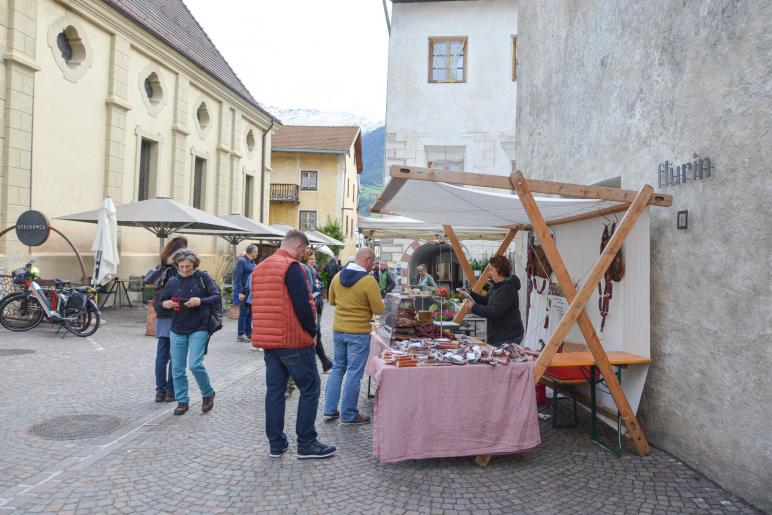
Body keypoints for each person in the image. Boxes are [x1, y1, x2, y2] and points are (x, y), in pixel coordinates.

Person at [250, 230, 336, 459]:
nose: (304, 255)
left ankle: (276, 444)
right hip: (293, 340)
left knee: (275, 392)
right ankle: (307, 442)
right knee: (310, 388)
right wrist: (312, 331)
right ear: (299, 248)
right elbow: (303, 306)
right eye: (305, 251)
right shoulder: (292, 267)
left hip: (270, 341)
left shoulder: (260, 268)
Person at [324, 247, 385, 425]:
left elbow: (332, 301)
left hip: (338, 329)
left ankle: (329, 409)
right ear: (366, 260)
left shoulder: (337, 276)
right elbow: (379, 309)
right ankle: (349, 414)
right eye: (372, 262)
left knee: (337, 369)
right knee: (353, 373)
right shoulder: (368, 281)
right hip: (358, 332)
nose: (372, 266)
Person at [156, 249, 220, 416]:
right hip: (177, 328)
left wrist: (200, 301)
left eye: (188, 266)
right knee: (177, 369)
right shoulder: (172, 282)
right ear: (177, 265)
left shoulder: (202, 278)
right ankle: (183, 401)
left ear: (194, 265)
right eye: (182, 266)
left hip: (199, 327)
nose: (185, 270)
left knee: (195, 365)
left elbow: (216, 296)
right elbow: (159, 302)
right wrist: (166, 304)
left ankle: (208, 394)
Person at [460, 255, 524, 347]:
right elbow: (486, 301)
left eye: (491, 269)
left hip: (508, 336)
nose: (489, 272)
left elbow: (495, 311)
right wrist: (470, 294)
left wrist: (473, 307)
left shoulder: (507, 289)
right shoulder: (496, 286)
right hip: (498, 335)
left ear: (500, 270)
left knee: (500, 359)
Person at [152, 236, 188, 403]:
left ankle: (159, 391)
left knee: (161, 356)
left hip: (161, 316)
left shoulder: (161, 267)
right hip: (177, 317)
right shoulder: (180, 270)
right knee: (176, 356)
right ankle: (171, 392)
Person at [302, 250, 333, 372]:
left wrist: (319, 285)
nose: (314, 261)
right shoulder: (305, 270)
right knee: (315, 333)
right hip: (312, 305)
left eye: (314, 259)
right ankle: (324, 362)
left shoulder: (312, 270)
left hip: (317, 305)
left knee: (317, 333)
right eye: (311, 259)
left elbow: (320, 284)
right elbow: (310, 289)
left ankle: (325, 362)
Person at [233, 244, 258, 343]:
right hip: (244, 292)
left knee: (250, 313)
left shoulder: (251, 262)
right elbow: (238, 278)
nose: (257, 253)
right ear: (252, 252)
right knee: (243, 313)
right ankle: (240, 334)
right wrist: (239, 292)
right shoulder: (242, 262)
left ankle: (249, 333)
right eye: (257, 252)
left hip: (251, 292)